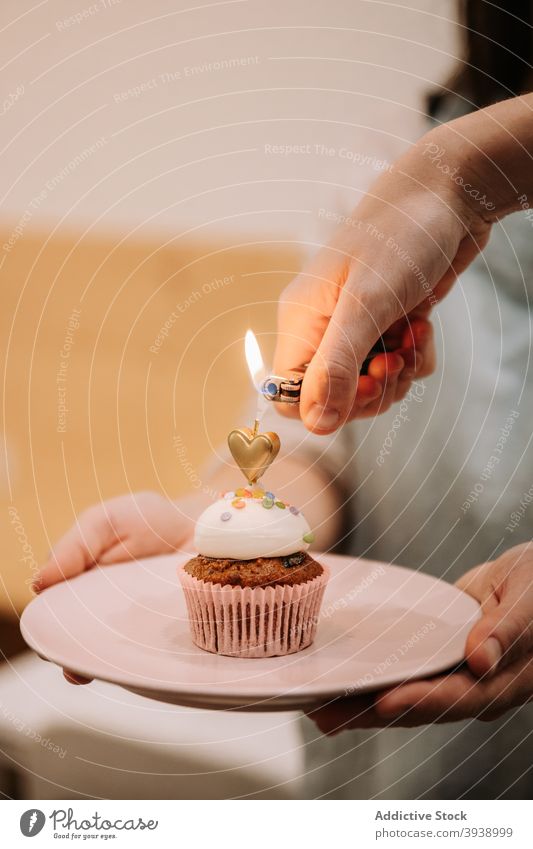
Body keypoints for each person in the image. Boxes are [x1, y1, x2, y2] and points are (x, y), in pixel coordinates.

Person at [35, 9, 533, 797]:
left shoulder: (424, 172)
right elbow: (309, 446)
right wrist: (212, 515)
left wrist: (450, 169)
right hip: (377, 742)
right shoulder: (381, 175)